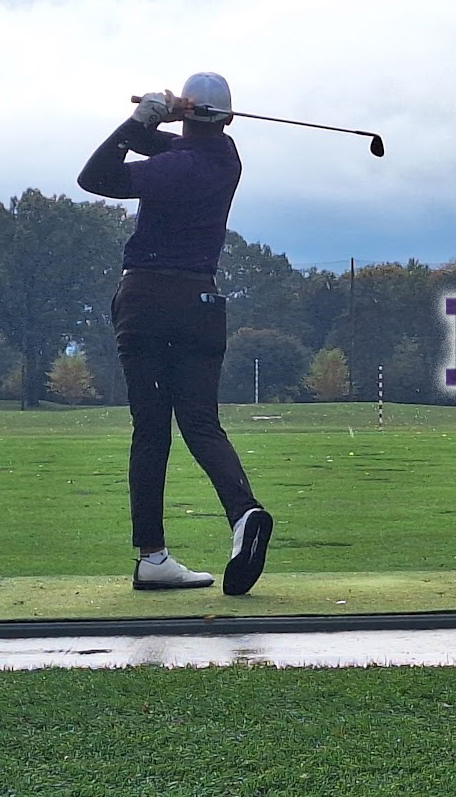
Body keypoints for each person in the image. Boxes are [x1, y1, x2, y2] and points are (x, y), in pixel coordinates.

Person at [77, 72, 273, 595]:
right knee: (202, 424)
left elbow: (94, 177)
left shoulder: (179, 164)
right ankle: (243, 513)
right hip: (202, 305)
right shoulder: (224, 158)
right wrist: (160, 118)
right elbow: (158, 144)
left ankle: (153, 556)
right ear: (228, 119)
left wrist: (140, 118)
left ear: (190, 117)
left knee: (151, 430)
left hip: (147, 301)